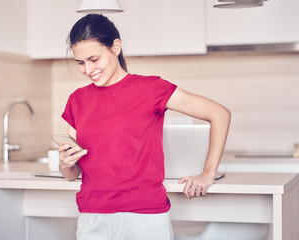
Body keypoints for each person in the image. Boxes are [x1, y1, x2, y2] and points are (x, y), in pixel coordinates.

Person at [59, 14, 231, 240]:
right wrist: (65, 164)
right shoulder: (77, 100)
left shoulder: (151, 89)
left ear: (116, 47)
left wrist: (208, 174)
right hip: (92, 219)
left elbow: (219, 114)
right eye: (80, 63)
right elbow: (72, 174)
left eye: (94, 59)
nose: (87, 70)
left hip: (146, 219)